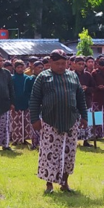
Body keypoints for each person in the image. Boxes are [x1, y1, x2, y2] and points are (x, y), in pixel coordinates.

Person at [29, 50, 87, 193]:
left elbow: (80, 98)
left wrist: (84, 116)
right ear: (50, 62)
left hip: (71, 120)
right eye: (57, 64)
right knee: (50, 153)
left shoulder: (73, 76)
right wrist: (35, 119)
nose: (61, 66)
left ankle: (65, 183)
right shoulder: (43, 77)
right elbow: (35, 99)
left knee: (68, 153)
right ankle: (49, 184)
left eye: (64, 63)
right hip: (50, 121)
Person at [10, 60, 35, 147]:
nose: (20, 69)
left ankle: (24, 139)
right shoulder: (12, 79)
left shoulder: (27, 78)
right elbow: (11, 91)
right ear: (15, 68)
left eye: (21, 67)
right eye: (18, 67)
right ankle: (16, 139)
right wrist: (11, 102)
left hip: (25, 102)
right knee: (16, 122)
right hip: (15, 102)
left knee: (25, 121)